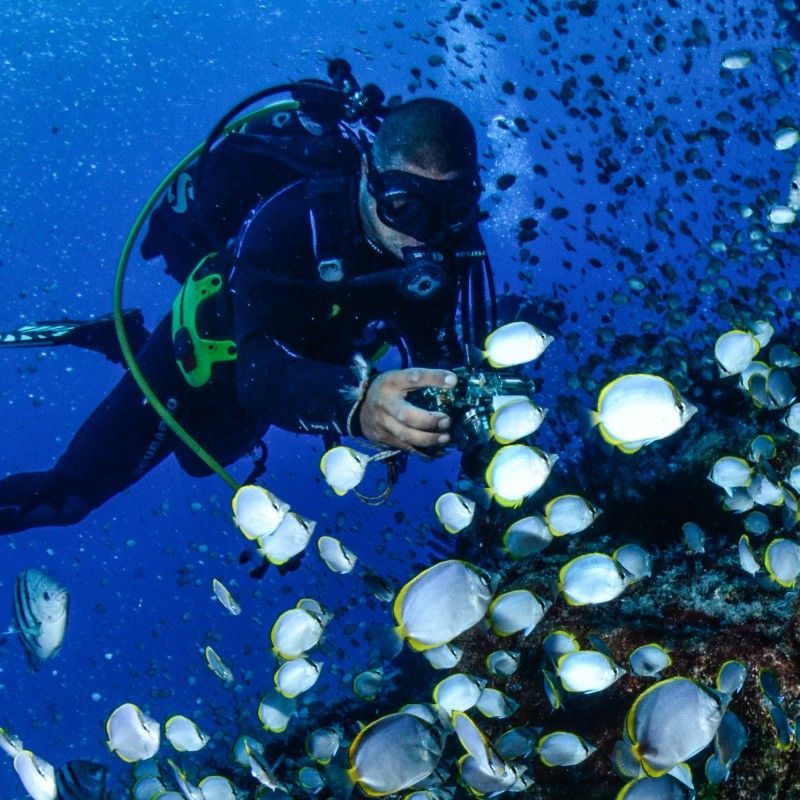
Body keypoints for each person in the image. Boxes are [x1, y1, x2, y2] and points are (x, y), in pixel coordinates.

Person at [0, 86, 496, 535]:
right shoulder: (291, 221)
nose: (423, 235)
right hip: (198, 362)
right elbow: (258, 373)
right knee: (66, 499)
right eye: (403, 207)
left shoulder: (452, 247)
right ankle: (122, 341)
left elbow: (441, 354)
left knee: (203, 459)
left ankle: (119, 340)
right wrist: (357, 405)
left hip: (289, 390)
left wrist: (459, 427)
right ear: (369, 174)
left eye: (449, 211)